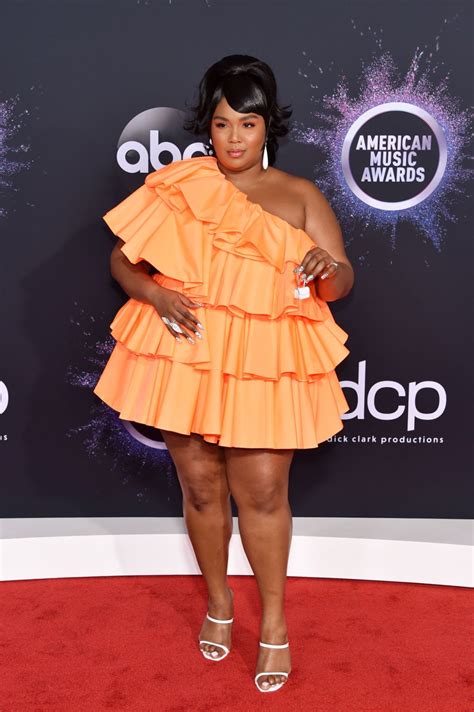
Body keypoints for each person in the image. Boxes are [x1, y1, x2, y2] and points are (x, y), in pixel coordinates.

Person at [94, 54, 354, 693]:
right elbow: (123, 263)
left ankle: (274, 627)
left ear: (270, 128)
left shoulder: (299, 196)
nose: (233, 138)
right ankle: (218, 604)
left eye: (248, 124)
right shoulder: (181, 186)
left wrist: (326, 269)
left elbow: (342, 280)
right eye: (221, 124)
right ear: (206, 129)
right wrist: (155, 297)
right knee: (202, 487)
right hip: (190, 351)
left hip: (262, 362)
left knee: (263, 494)